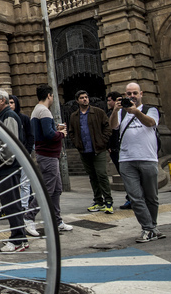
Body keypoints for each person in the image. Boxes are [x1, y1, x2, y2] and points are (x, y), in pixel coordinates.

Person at [109, 82, 164, 243]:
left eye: (134, 93)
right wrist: (115, 111)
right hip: (126, 159)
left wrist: (135, 112)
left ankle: (152, 227)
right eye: (128, 94)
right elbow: (113, 126)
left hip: (148, 158)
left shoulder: (150, 110)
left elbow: (150, 123)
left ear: (141, 94)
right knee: (135, 197)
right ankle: (148, 228)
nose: (131, 96)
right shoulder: (121, 112)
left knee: (151, 197)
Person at [0, 89, 29, 253]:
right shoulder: (1, 116)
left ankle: (19, 239)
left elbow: (10, 146)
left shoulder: (9, 117)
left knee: (12, 204)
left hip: (7, 168)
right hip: (3, 168)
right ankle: (18, 235)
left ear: (3, 101)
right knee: (9, 204)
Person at [29, 85, 73, 233]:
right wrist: (62, 134)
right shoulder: (44, 111)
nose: (53, 98)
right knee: (47, 189)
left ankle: (57, 220)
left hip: (48, 155)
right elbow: (49, 135)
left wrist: (56, 130)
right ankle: (28, 217)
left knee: (56, 189)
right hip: (48, 156)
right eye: (53, 95)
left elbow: (44, 132)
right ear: (49, 95)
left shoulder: (37, 110)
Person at [67, 90, 114, 214]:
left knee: (102, 174)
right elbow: (71, 132)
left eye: (86, 97)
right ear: (77, 100)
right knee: (92, 176)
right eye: (82, 98)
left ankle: (108, 201)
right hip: (84, 150)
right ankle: (98, 201)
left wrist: (103, 141)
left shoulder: (98, 112)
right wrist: (77, 144)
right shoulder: (74, 116)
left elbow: (107, 127)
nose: (85, 99)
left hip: (98, 149)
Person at [9, 95, 36, 232]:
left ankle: (24, 207)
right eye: (8, 102)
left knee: (25, 183)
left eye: (12, 102)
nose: (10, 104)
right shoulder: (7, 119)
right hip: (11, 157)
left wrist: (27, 151)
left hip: (23, 154)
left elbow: (30, 136)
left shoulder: (24, 118)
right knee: (13, 183)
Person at [106, 91, 132, 209]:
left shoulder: (128, 113)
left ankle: (133, 198)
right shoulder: (111, 114)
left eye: (109, 100)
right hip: (115, 150)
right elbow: (109, 131)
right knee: (124, 176)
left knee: (129, 176)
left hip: (125, 149)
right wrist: (109, 147)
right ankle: (131, 198)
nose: (108, 102)